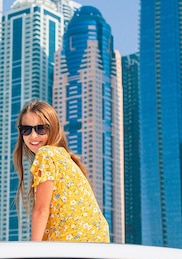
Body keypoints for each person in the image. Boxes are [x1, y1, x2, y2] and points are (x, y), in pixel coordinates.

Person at [12, 99, 110, 242]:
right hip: (94, 244)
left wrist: (32, 252)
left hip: (72, 246)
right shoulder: (65, 157)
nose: (33, 136)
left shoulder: (46, 154)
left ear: (53, 129)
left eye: (41, 129)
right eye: (26, 130)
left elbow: (41, 210)